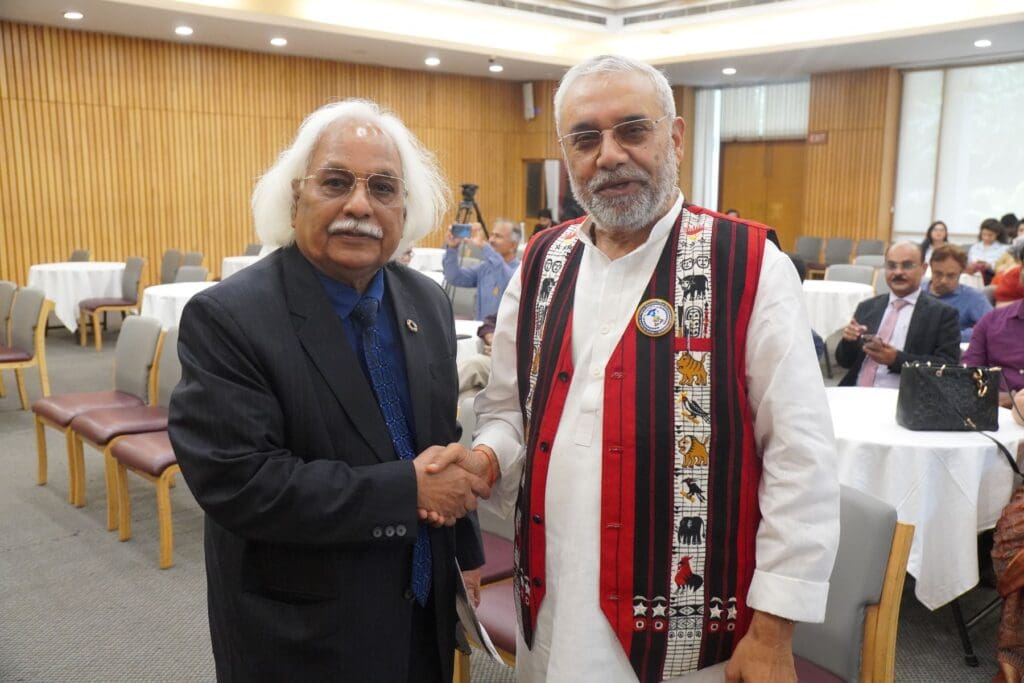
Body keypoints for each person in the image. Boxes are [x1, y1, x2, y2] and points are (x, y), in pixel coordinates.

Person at [438, 54, 840, 682]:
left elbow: (800, 456)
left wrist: (774, 628)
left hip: (689, 630)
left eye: (633, 130)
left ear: (674, 137)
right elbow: (507, 414)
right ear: (567, 153)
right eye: (587, 138)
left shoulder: (749, 264)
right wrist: (487, 459)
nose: (611, 155)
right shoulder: (543, 260)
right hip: (550, 597)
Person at [167, 99, 488, 682]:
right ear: (295, 199)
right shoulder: (229, 317)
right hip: (302, 634)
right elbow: (240, 482)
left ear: (404, 208)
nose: (360, 205)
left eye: (383, 187)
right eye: (336, 182)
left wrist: (462, 557)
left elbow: (441, 442)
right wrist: (405, 490)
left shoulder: (425, 301)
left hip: (421, 613)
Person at [836, 241, 960, 387]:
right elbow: (844, 361)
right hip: (855, 391)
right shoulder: (867, 307)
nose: (898, 272)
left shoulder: (942, 314)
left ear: (923, 268)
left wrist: (897, 359)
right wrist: (848, 341)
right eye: (891, 266)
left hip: (904, 397)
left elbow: (948, 367)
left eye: (907, 265)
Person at [962, 264, 1024, 405]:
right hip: (996, 415)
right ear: (1021, 274)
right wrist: (990, 397)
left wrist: (1014, 400)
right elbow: (968, 374)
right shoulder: (991, 322)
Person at [442, 219, 521, 320]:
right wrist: (452, 248)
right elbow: (453, 277)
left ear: (513, 245)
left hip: (504, 334)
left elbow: (505, 278)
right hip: (480, 331)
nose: (491, 240)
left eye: (498, 236)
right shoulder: (485, 267)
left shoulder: (519, 271)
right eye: (491, 235)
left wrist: (484, 246)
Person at [922, 244, 991, 342]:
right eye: (938, 274)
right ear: (931, 269)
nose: (943, 281)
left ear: (961, 272)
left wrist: (951, 336)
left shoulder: (973, 297)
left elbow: (992, 327)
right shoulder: (916, 290)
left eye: (951, 276)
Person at [456, 314, 497, 400]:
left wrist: (504, 350)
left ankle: (431, 396)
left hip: (519, 368)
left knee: (475, 365)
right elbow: (489, 322)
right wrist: (493, 339)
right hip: (502, 364)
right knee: (467, 397)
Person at [967, 218, 1011, 285]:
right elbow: (968, 264)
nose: (986, 238)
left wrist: (990, 266)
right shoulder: (974, 247)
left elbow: (1007, 268)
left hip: (993, 278)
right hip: (973, 278)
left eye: (990, 235)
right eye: (984, 234)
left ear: (997, 234)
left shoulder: (1005, 249)